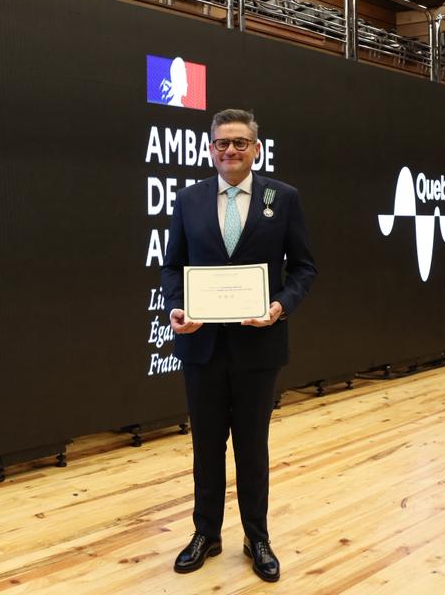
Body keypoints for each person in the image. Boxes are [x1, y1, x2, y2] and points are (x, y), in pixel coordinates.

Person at [162, 108, 317, 582]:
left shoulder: (282, 198)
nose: (230, 150)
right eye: (222, 143)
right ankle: (205, 534)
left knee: (252, 447)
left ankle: (257, 538)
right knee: (206, 447)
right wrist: (177, 307)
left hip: (258, 346)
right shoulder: (188, 199)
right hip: (201, 347)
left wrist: (280, 306)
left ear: (256, 148)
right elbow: (172, 266)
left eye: (240, 142)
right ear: (210, 149)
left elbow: (304, 267)